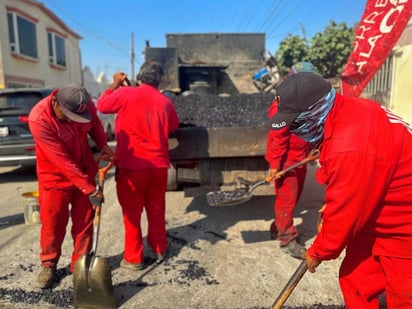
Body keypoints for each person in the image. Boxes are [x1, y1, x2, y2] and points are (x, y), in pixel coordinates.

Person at [268, 72, 412, 308]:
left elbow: (346, 213)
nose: (293, 130)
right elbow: (354, 189)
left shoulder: (350, 147)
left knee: (404, 296)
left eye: (296, 123)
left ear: (316, 109)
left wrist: (317, 252)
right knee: (357, 280)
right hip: (375, 213)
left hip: (404, 229)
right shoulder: (351, 108)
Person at [28, 83, 114, 289]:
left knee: (84, 221)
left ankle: (80, 264)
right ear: (56, 102)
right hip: (55, 176)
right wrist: (89, 189)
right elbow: (62, 161)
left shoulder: (82, 104)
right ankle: (49, 264)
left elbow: (95, 126)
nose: (73, 121)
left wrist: (103, 144)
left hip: (84, 168)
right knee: (53, 222)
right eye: (68, 116)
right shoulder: (39, 118)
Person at [97, 61, 180, 271]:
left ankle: (134, 258)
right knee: (156, 209)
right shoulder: (165, 102)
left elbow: (102, 105)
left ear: (140, 77)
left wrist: (114, 84)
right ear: (158, 81)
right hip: (158, 167)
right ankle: (160, 248)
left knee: (132, 213)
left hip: (132, 167)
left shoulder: (125, 94)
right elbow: (174, 126)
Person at [264, 62, 318, 259]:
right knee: (287, 199)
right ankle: (287, 238)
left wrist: (312, 149)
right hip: (286, 162)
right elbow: (277, 138)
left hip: (299, 158)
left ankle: (277, 227)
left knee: (292, 199)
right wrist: (274, 167)